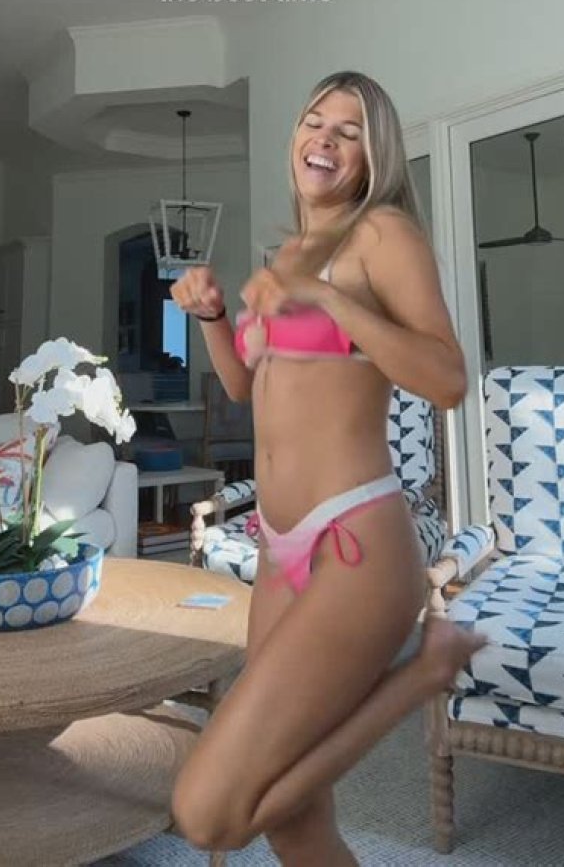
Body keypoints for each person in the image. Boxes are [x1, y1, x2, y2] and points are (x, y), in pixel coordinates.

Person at [170, 71, 485, 864]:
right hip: (280, 547)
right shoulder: (285, 253)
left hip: (356, 541)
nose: (326, 140)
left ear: (373, 156)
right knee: (296, 818)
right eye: (316, 121)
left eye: (350, 132)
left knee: (209, 812)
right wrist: (214, 316)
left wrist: (334, 301)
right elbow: (247, 387)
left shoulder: (382, 234)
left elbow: (449, 378)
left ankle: (422, 675)